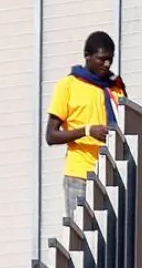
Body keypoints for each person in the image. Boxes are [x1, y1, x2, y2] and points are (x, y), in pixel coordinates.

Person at [45, 30, 127, 221]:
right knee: (82, 239)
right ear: (87, 57)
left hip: (112, 175)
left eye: (110, 59)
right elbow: (51, 135)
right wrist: (88, 131)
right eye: (101, 59)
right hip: (80, 175)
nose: (106, 64)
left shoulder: (116, 87)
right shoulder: (68, 86)